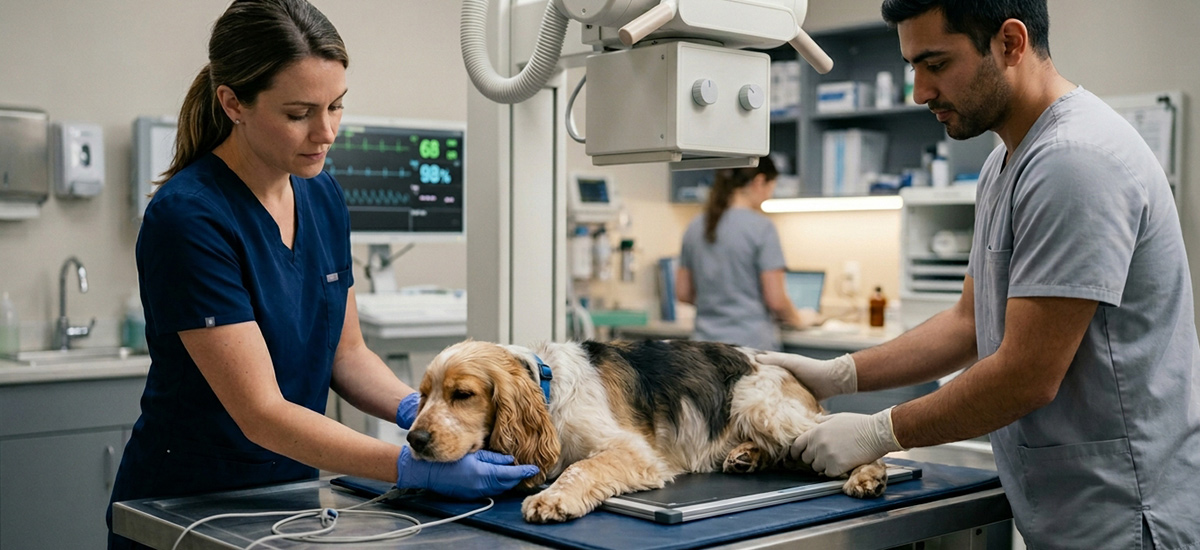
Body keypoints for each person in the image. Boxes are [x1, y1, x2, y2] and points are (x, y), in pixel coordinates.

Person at [758, 1, 1200, 548]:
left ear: (1010, 43)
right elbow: (970, 322)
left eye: (936, 64)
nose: (919, 91)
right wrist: (842, 374)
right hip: (1069, 508)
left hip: (1127, 516)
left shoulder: (1074, 161)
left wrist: (881, 431)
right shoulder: (1005, 162)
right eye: (912, 67)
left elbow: (1026, 374)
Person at [107, 1, 537, 547]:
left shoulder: (321, 194)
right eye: (298, 114)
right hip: (188, 503)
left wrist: (420, 410)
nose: (326, 131)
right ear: (233, 103)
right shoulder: (189, 218)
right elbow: (261, 413)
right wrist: (410, 467)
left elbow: (347, 355)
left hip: (289, 495)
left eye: (336, 106)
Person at [676, 157, 811, 352]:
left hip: (703, 350)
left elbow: (683, 293)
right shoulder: (762, 228)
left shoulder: (695, 226)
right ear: (759, 182)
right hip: (750, 349)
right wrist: (800, 320)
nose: (769, 196)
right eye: (771, 187)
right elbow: (776, 300)